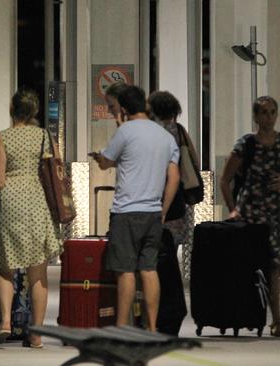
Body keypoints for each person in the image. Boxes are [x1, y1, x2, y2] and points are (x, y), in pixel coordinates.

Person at [91, 85, 180, 332]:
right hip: (153, 212)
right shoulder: (164, 135)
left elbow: (106, 162)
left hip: (126, 211)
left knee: (125, 271)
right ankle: (151, 327)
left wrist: (100, 157)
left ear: (125, 108)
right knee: (149, 269)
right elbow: (174, 176)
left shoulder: (126, 131)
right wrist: (163, 209)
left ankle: (122, 326)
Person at [219, 96, 280, 337]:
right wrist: (233, 209)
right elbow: (225, 179)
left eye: (272, 112)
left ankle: (275, 319)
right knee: (252, 266)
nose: (268, 118)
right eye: (263, 113)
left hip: (278, 214)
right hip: (251, 212)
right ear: (256, 117)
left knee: (275, 266)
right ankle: (257, 317)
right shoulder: (246, 145)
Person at [0, 89, 63, 348]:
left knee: (5, 267)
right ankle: (37, 334)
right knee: (38, 271)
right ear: (35, 112)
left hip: (11, 202)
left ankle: (7, 322)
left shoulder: (1, 138)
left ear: (12, 109)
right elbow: (56, 170)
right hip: (37, 201)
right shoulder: (45, 136)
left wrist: (7, 190)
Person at [147, 90, 202, 242]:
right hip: (180, 196)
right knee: (172, 245)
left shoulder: (152, 132)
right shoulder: (179, 130)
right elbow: (195, 161)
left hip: (156, 195)